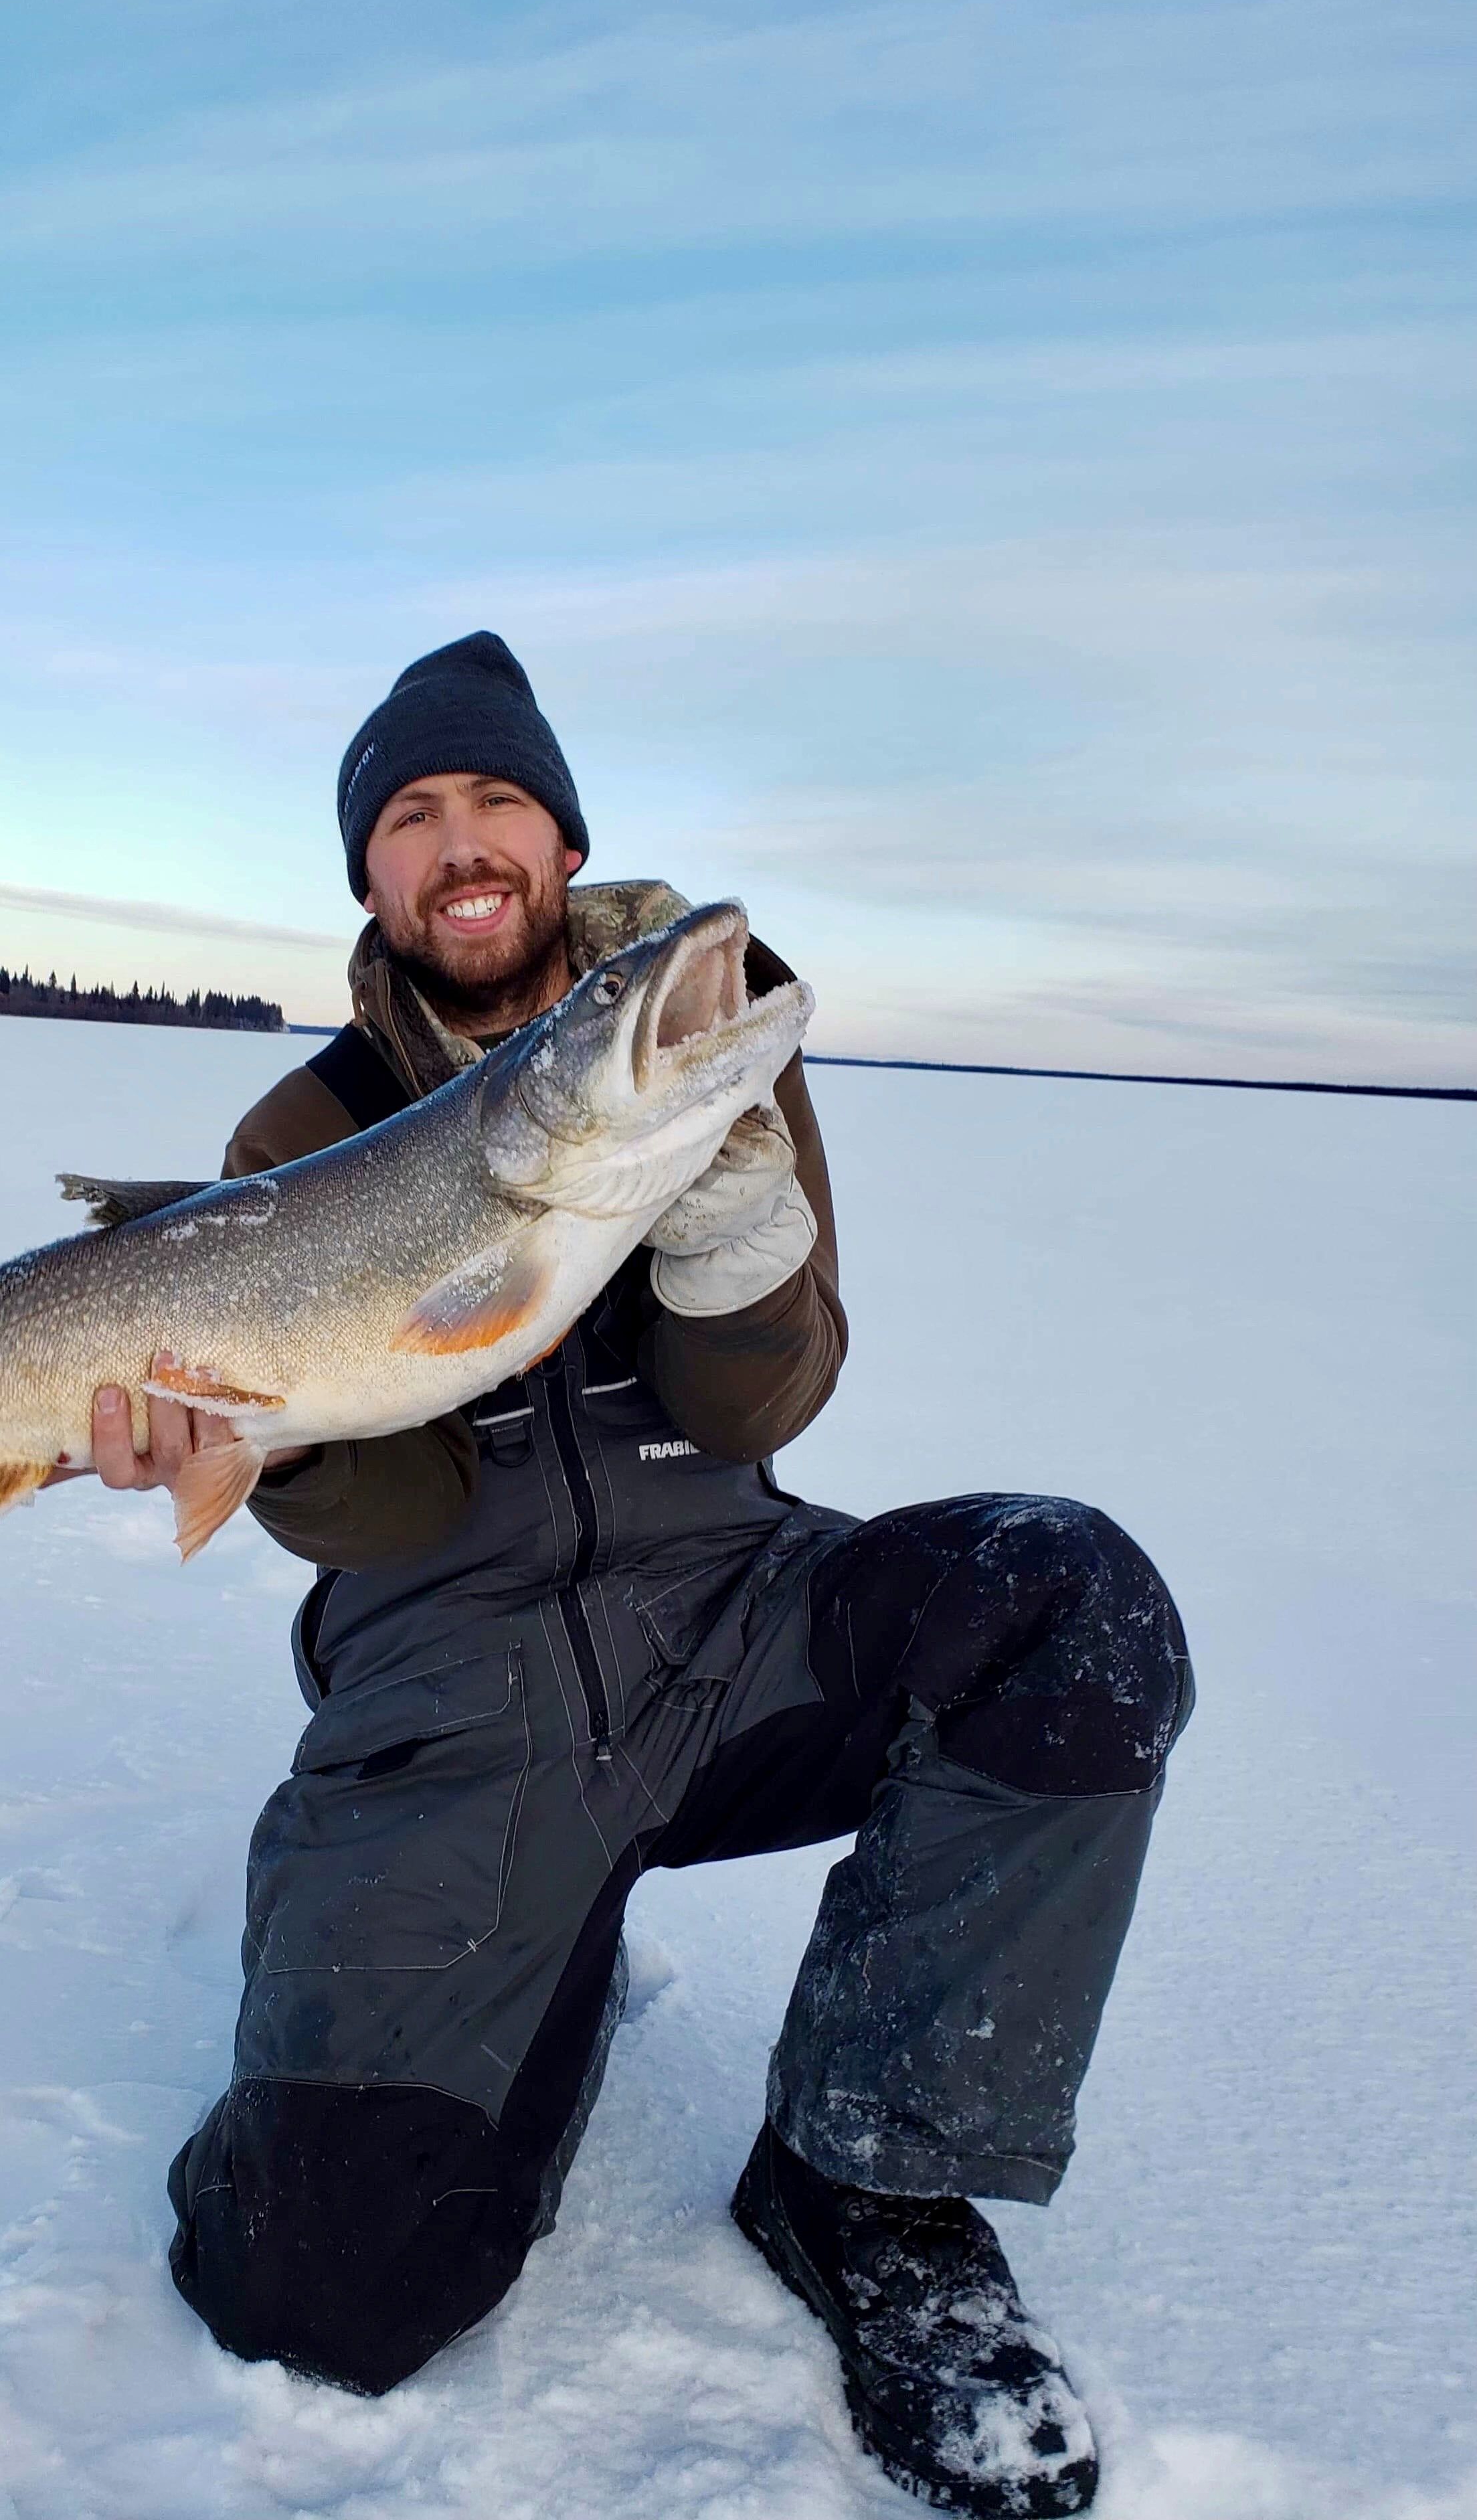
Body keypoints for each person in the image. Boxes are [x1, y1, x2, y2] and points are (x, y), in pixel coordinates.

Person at [80, 633, 1191, 2520]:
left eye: (494, 799)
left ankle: (864, 2179)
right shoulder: (304, 1133)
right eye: (411, 818)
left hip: (732, 1619)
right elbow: (391, 1521)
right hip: (459, 1690)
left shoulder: (689, 1032)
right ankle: (522, 1965)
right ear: (371, 877)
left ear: (559, 832)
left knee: (1065, 1598)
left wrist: (741, 1237)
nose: (460, 844)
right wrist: (269, 1442)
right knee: (317, 2292)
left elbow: (767, 1402)